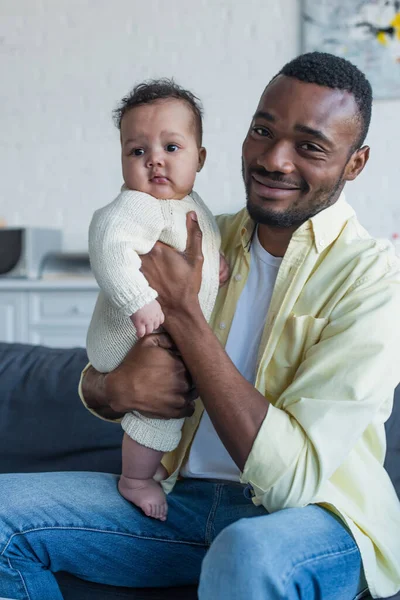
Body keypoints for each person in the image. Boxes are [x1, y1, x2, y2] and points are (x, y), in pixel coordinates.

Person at [1, 51, 400, 600]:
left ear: (355, 163)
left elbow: (292, 482)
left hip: (317, 519)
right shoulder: (195, 232)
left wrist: (187, 314)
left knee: (247, 554)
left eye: (309, 146)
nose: (275, 159)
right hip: (182, 499)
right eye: (263, 131)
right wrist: (110, 386)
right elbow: (110, 356)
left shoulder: (374, 278)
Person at [86, 79, 228, 521]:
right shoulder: (138, 205)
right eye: (137, 151)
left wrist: (215, 270)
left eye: (171, 147)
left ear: (200, 158)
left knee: (170, 400)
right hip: (130, 338)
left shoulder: (192, 204)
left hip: (157, 335)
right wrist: (137, 298)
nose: (155, 161)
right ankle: (136, 479)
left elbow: (197, 246)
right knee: (161, 405)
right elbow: (108, 242)